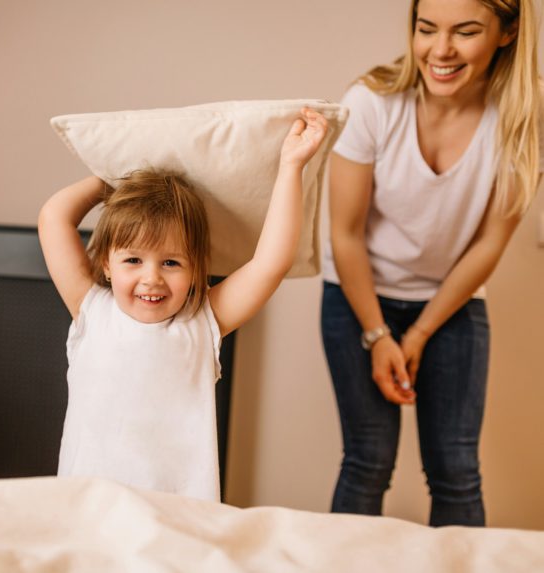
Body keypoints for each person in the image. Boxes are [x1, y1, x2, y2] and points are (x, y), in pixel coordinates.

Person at [321, 0, 540, 526]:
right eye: (426, 29)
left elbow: (488, 246)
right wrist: (378, 336)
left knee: (456, 470)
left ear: (507, 32)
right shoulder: (371, 103)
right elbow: (344, 234)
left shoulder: (519, 122)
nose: (440, 50)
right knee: (368, 462)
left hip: (451, 302)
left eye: (465, 32)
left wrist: (417, 334)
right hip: (356, 296)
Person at [39, 109, 327, 502]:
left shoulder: (202, 322)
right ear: (107, 263)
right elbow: (54, 217)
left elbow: (270, 263)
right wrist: (111, 177)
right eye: (133, 260)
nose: (151, 278)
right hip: (89, 513)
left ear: (196, 270)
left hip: (178, 519)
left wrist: (291, 166)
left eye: (171, 262)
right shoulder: (92, 311)